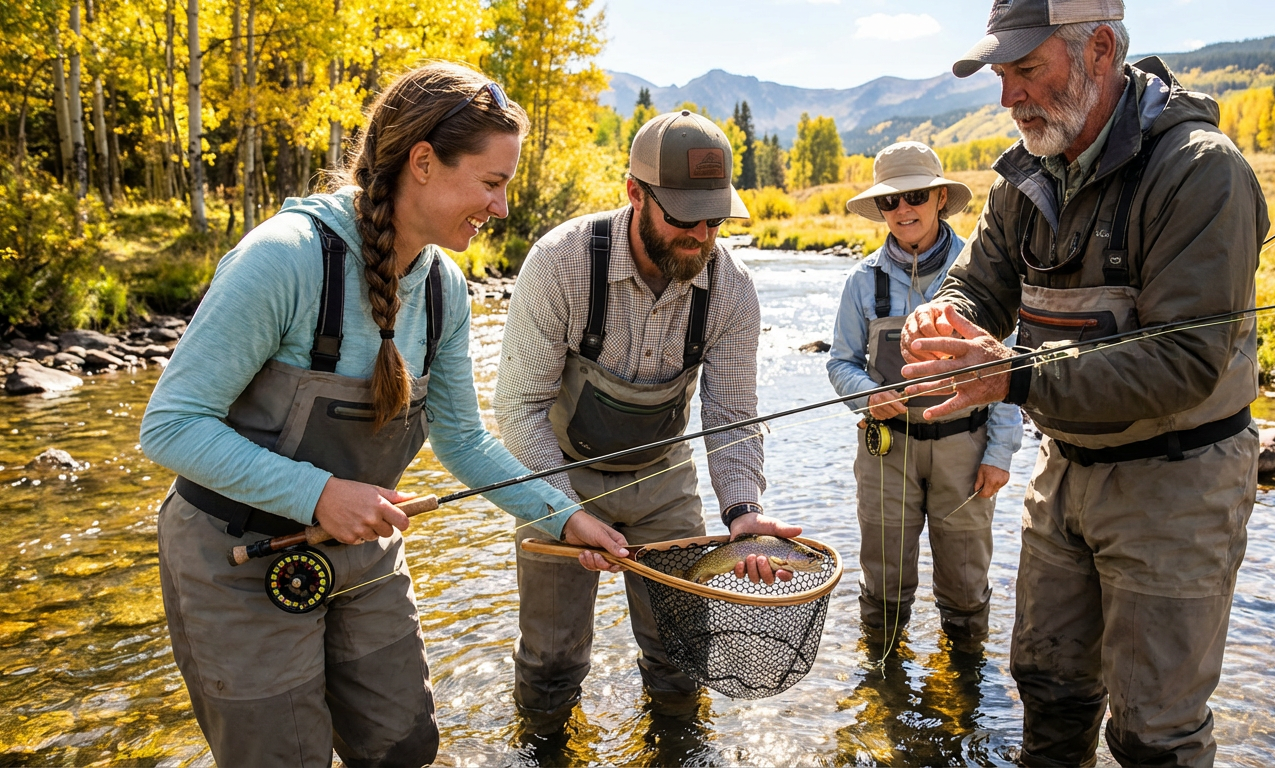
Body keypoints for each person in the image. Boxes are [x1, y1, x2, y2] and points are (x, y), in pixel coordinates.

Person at [140, 63, 625, 767]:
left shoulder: (444, 287)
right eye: (492, 183)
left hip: (360, 553)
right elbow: (171, 425)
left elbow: (462, 441)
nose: (501, 207)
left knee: (404, 747)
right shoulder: (283, 260)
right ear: (423, 163)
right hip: (234, 558)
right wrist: (320, 495)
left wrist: (564, 516)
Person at [897, 2, 1269, 766]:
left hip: (1180, 482)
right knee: (1050, 692)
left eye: (1027, 70)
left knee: (1153, 736)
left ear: (1100, 49)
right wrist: (943, 315)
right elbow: (979, 284)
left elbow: (1185, 362)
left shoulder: (1201, 171)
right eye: (1003, 75)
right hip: (1065, 469)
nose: (1010, 97)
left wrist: (1013, 376)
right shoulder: (1025, 175)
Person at [494, 110, 803, 717]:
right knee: (552, 660)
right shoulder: (560, 263)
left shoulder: (732, 289)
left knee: (682, 655)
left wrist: (743, 510)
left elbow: (732, 413)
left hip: (663, 479)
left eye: (715, 219)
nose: (702, 236)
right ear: (635, 193)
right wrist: (564, 513)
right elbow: (520, 409)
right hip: (556, 469)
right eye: (684, 217)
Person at [827, 141, 1022, 645]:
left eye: (914, 196)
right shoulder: (862, 281)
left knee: (965, 584)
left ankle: (963, 673)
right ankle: (882, 676)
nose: (902, 209)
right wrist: (867, 396)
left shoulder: (983, 274)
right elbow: (840, 363)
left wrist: (1000, 454)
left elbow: (1006, 369)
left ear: (939, 199)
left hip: (967, 447)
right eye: (889, 200)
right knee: (884, 585)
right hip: (886, 450)